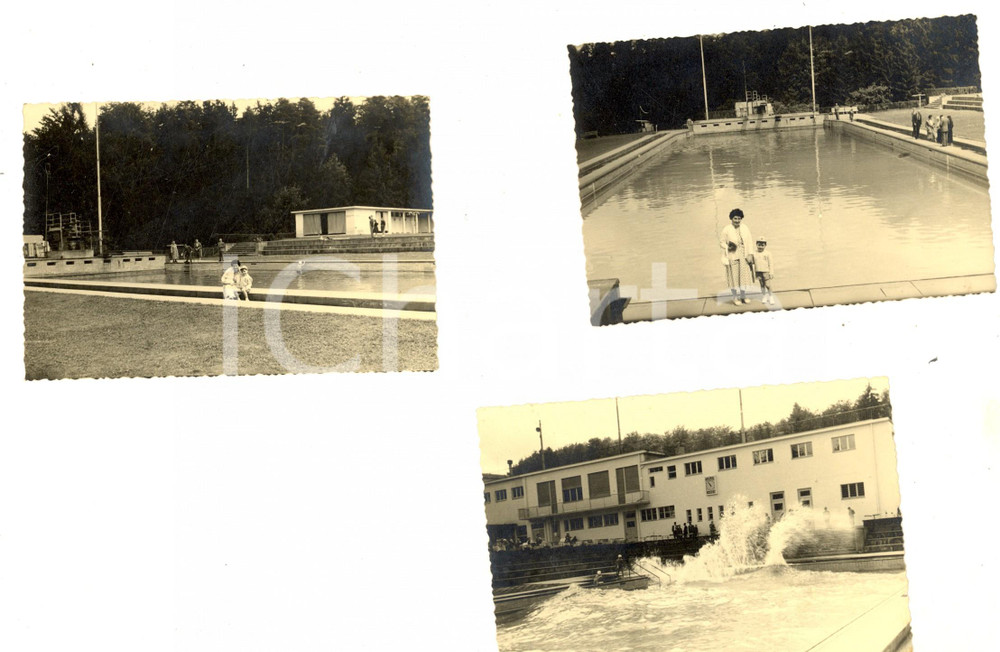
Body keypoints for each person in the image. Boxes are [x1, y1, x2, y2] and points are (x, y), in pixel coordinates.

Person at [720, 208, 754, 305]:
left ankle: (743, 296)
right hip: (732, 255)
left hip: (744, 255)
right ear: (731, 218)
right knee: (734, 277)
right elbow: (721, 242)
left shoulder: (745, 227)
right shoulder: (726, 229)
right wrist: (728, 246)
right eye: (735, 218)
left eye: (739, 218)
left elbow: (750, 241)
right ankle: (735, 298)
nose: (737, 221)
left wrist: (750, 254)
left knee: (743, 277)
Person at [749, 237, 775, 305]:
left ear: (765, 245)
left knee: (768, 285)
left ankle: (771, 296)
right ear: (756, 244)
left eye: (762, 245)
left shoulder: (768, 253)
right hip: (758, 271)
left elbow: (771, 263)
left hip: (766, 271)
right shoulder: (754, 253)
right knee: (762, 285)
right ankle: (764, 296)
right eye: (759, 244)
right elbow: (752, 262)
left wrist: (771, 272)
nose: (760, 246)